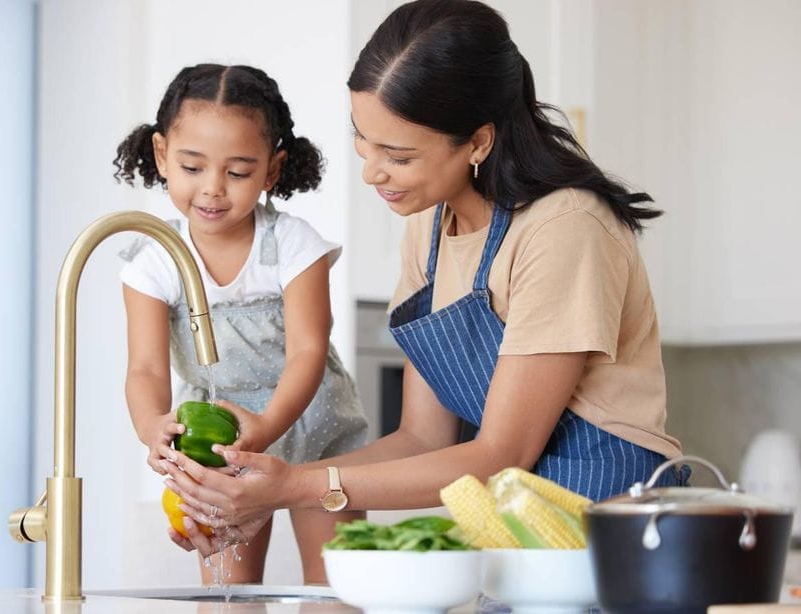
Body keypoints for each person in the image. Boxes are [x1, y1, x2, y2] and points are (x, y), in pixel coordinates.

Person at [159, 0, 688, 556]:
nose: (371, 171)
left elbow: (499, 455)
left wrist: (295, 487)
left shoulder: (564, 227)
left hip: (615, 532)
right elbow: (421, 439)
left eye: (399, 154)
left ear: (479, 142)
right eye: (363, 138)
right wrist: (262, 493)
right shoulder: (430, 227)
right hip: (516, 539)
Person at [113, 63, 368, 584]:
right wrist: (150, 428)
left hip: (314, 430)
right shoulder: (154, 258)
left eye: (237, 172)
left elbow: (308, 352)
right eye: (192, 167)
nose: (212, 190)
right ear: (162, 155)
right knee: (229, 592)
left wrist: (269, 426)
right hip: (218, 444)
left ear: (272, 171)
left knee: (336, 590)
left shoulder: (294, 246)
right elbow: (144, 368)